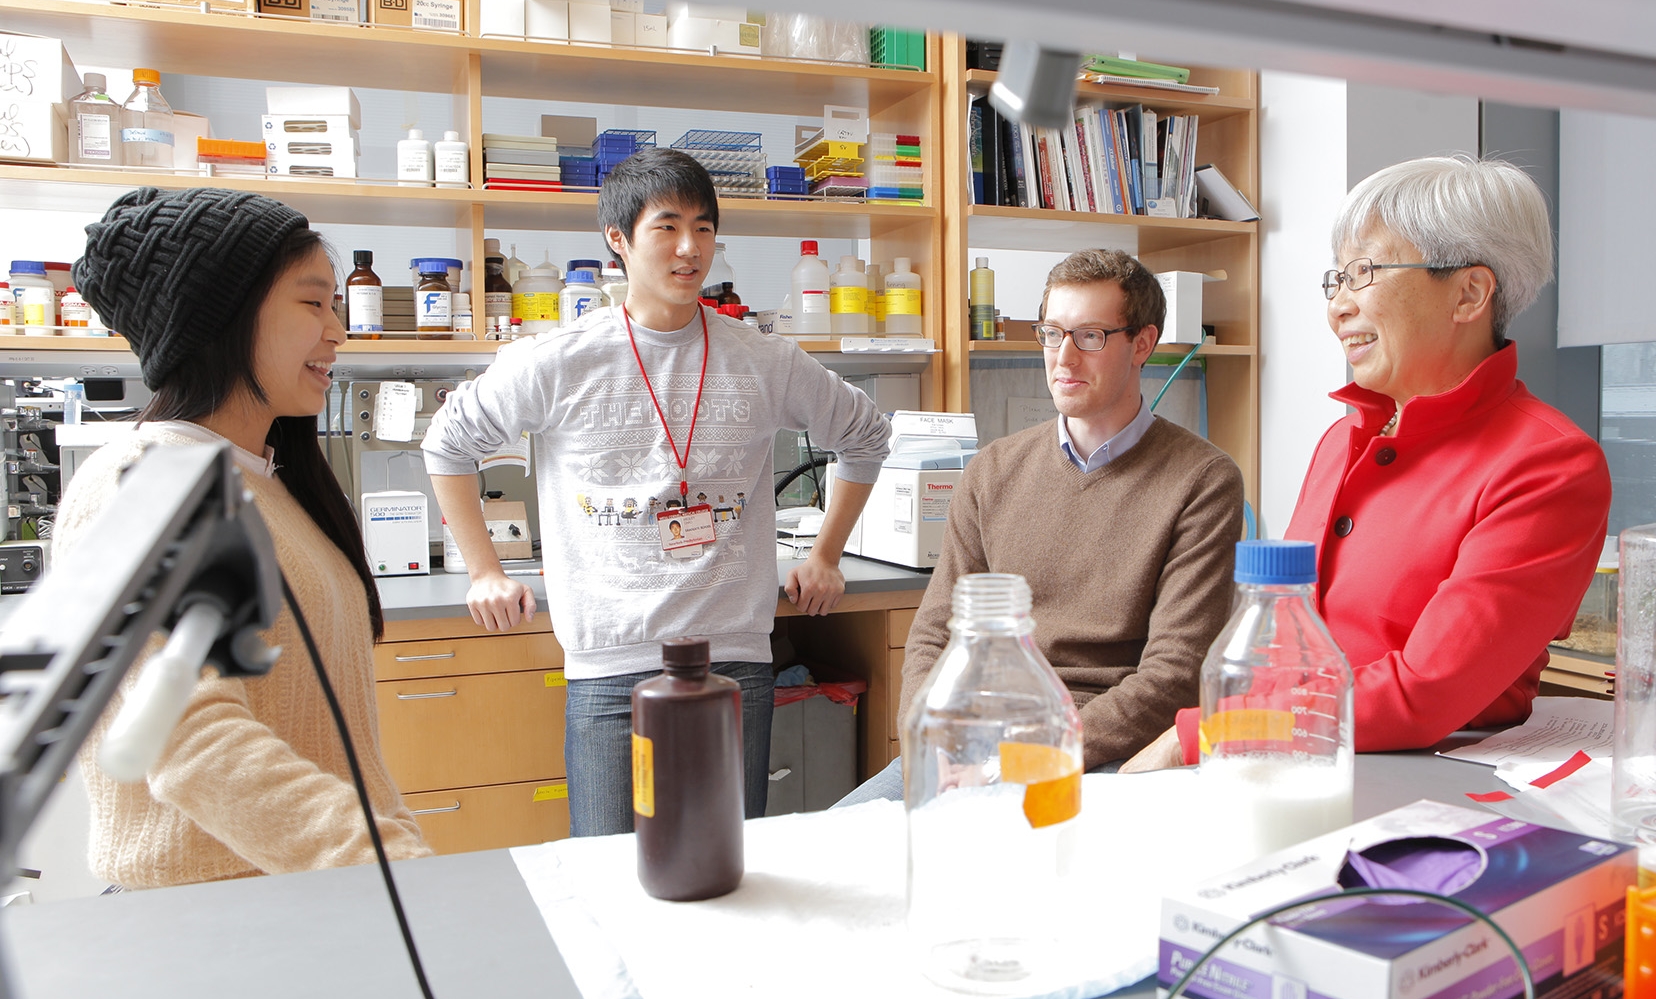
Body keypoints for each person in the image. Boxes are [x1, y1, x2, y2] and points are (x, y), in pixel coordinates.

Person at [423, 149, 891, 836]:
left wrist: (825, 556)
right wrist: (484, 570)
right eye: (667, 226)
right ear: (618, 239)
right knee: (610, 876)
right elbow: (447, 443)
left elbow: (867, 436)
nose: (689, 247)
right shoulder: (557, 361)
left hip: (733, 656)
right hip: (612, 661)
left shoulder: (763, 358)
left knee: (728, 867)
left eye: (704, 228)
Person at [1124, 155, 1610, 770]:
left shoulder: (1549, 464)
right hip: (1278, 756)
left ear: (1469, 293)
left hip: (1424, 775)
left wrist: (1203, 735)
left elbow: (1426, 690)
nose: (1338, 307)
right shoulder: (1343, 438)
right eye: (1338, 279)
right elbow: (1280, 639)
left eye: (1365, 273)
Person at [59, 187, 430, 888]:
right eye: (313, 303)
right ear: (222, 317)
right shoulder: (140, 482)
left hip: (306, 894)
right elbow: (189, 737)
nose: (337, 331)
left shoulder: (269, 480)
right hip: (212, 914)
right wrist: (389, 867)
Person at [838, 249, 1243, 804]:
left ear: (1142, 344)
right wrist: (926, 745)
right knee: (828, 854)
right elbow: (937, 632)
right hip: (970, 745)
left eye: (1091, 336)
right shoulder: (993, 470)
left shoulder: (1203, 481)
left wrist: (1023, 759)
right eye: (1052, 334)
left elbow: (1174, 674)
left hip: (1097, 749)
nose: (1064, 358)